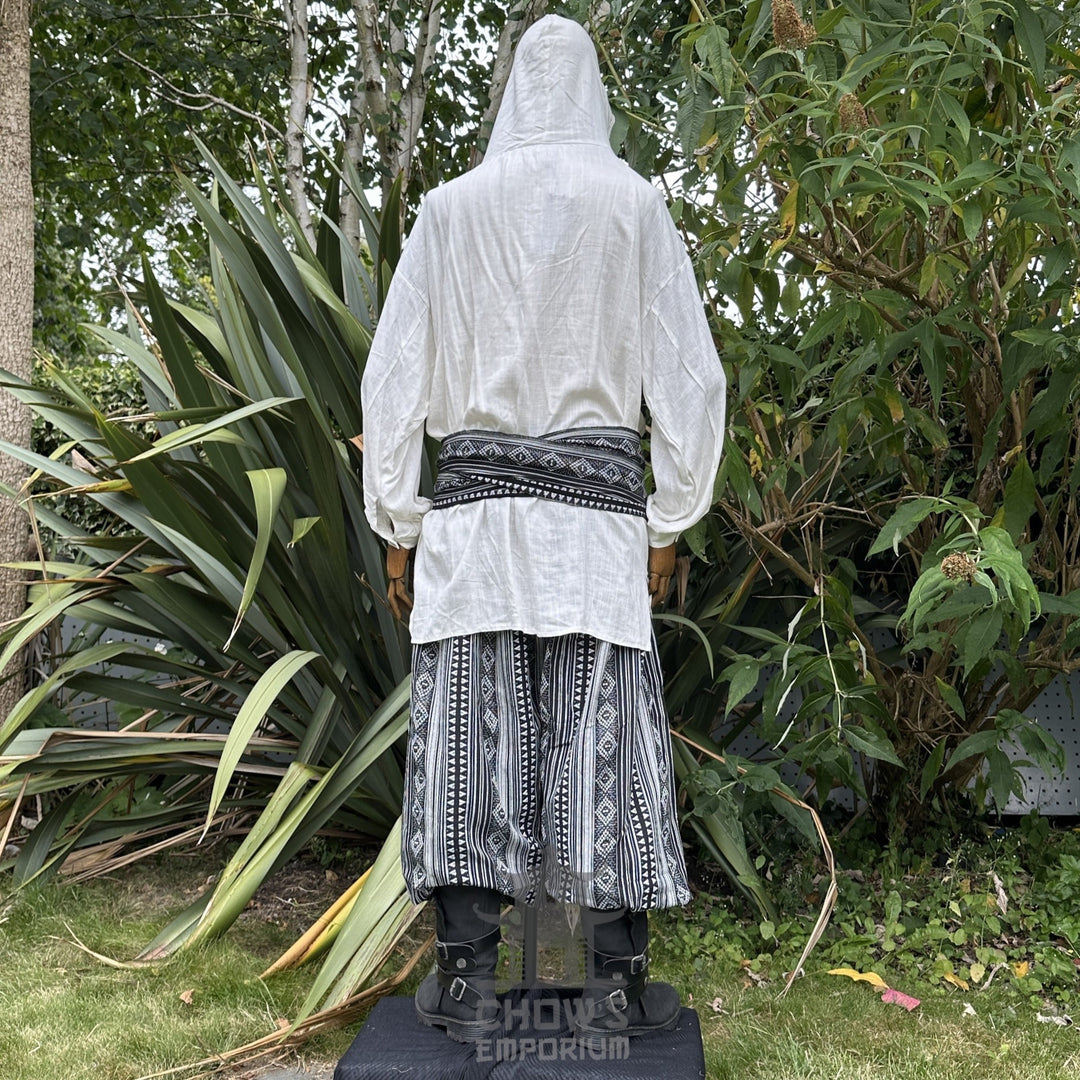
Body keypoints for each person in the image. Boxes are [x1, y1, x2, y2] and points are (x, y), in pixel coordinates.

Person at [360, 13, 726, 1047]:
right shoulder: (635, 207)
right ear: (594, 88)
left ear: (516, 86)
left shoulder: (450, 210)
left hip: (472, 521)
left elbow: (394, 374)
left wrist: (400, 518)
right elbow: (689, 375)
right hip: (598, 526)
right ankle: (615, 979)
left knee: (472, 742)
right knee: (602, 744)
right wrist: (670, 517)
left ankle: (468, 978)